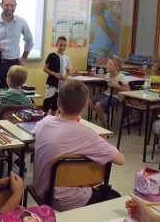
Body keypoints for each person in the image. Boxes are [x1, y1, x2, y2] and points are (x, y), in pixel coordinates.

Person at [33, 80, 125, 212]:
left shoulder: (45, 122)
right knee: (115, 197)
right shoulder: (87, 134)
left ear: (58, 102)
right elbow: (121, 160)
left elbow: (36, 132)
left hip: (42, 190)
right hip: (67, 199)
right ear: (85, 106)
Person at [88, 55, 130, 126]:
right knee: (89, 101)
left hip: (116, 97)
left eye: (109, 64)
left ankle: (101, 121)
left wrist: (118, 86)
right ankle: (103, 115)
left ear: (117, 67)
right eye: (107, 63)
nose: (107, 65)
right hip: (107, 94)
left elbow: (128, 90)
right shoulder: (108, 74)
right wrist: (96, 75)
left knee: (98, 105)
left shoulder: (122, 77)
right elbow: (104, 76)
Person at [42, 36, 72, 115]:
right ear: (56, 45)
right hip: (51, 83)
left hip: (61, 84)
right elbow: (45, 69)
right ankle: (43, 117)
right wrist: (54, 74)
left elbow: (68, 72)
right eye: (61, 45)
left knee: (56, 102)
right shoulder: (51, 55)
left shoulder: (67, 58)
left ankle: (53, 117)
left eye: (64, 45)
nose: (62, 47)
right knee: (47, 101)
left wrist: (65, 77)